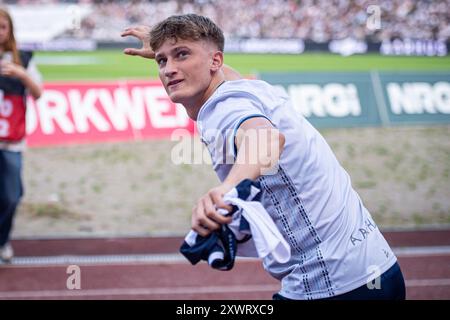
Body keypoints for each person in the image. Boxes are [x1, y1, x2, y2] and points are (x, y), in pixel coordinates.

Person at [122, 14, 406, 300]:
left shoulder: (222, 108)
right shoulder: (249, 87)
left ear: (215, 61)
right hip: (380, 269)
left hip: (331, 284)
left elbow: (267, 139)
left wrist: (226, 189)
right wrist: (170, 50)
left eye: (182, 55)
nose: (169, 69)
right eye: (162, 61)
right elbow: (219, 72)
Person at [0, 8, 42, 263]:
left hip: (12, 142)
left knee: (11, 196)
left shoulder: (23, 58)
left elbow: (38, 93)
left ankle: (3, 240)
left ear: (10, 30)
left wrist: (21, 74)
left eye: (3, 27)